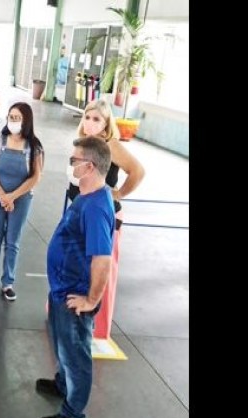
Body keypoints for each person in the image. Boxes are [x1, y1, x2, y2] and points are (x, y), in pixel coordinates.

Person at [36, 136, 115, 418]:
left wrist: (91, 301)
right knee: (60, 343)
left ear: (90, 166)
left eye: (74, 161)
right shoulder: (86, 195)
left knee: (75, 354)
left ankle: (73, 416)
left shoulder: (95, 207)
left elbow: (102, 260)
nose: (70, 166)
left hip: (74, 296)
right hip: (61, 290)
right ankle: (62, 383)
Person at [67, 98, 145, 338]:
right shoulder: (82, 143)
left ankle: (95, 325)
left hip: (101, 214)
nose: (91, 122)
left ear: (106, 122)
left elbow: (137, 171)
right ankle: (72, 315)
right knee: (78, 264)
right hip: (79, 210)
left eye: (97, 119)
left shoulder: (110, 145)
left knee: (100, 266)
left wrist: (118, 193)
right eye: (88, 117)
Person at [0, 102, 44, 301]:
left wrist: (12, 196)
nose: (12, 121)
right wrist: (1, 194)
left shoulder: (34, 146)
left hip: (21, 197)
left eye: (17, 118)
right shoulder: (0, 139)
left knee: (12, 241)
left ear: (26, 121)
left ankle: (8, 282)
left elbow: (35, 176)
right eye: (10, 117)